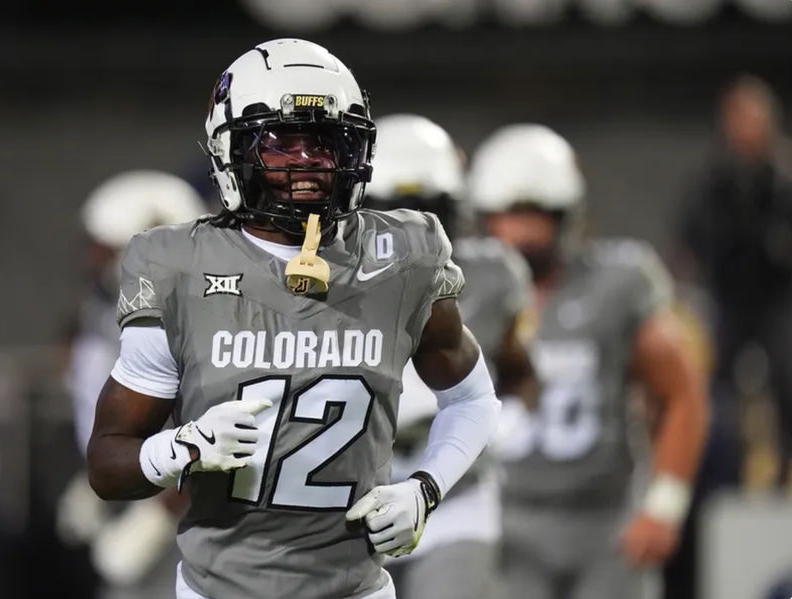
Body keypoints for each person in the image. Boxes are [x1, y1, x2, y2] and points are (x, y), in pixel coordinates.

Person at [86, 38, 501, 599]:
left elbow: (473, 399)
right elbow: (109, 462)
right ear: (231, 149)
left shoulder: (404, 253)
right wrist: (180, 449)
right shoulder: (176, 265)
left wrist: (425, 489)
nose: (307, 163)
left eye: (326, 143)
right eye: (283, 144)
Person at [468, 124, 709, 599]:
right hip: (505, 519)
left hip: (603, 520)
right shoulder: (465, 289)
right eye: (506, 215)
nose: (518, 233)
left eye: (533, 216)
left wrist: (663, 506)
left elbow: (683, 392)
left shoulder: (617, 283)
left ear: (566, 217)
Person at [365, 113, 534, 599]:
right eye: (397, 208)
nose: (413, 226)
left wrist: (499, 425)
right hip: (359, 500)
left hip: (453, 496)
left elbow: (521, 370)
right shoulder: (330, 276)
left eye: (427, 208)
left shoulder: (491, 271)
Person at [58, 170, 206, 590]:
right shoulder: (111, 309)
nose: (93, 261)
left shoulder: (194, 317)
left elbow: (208, 422)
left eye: (105, 250)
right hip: (133, 479)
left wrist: (157, 515)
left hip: (184, 512)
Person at [678, 75, 792, 488]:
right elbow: (690, 244)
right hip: (727, 299)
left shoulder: (783, 179)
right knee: (713, 390)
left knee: (786, 376)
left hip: (780, 299)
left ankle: (783, 478)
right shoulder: (713, 181)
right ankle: (720, 476)